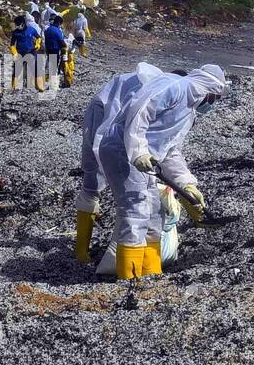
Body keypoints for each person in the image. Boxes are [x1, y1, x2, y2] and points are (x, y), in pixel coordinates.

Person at [81, 64, 225, 279]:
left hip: (144, 161)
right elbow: (140, 113)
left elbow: (170, 149)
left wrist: (186, 183)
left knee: (156, 212)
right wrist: (138, 151)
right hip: (121, 150)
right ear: (209, 89)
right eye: (214, 99)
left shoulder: (188, 112)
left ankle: (151, 273)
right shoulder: (175, 87)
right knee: (136, 210)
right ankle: (129, 279)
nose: (211, 105)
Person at [8, 15, 39, 91]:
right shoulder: (15, 33)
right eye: (16, 25)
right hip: (19, 53)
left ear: (23, 23)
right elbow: (12, 44)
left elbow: (38, 37)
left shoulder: (31, 30)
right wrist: (14, 53)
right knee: (16, 70)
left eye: (18, 25)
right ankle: (14, 86)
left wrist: (38, 43)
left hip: (31, 51)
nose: (17, 26)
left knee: (35, 69)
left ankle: (37, 85)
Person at [42, 14, 67, 90]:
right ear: (59, 22)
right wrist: (65, 46)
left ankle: (49, 84)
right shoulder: (57, 31)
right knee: (55, 68)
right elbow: (61, 41)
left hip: (48, 49)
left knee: (50, 67)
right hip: (55, 50)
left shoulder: (48, 29)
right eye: (60, 24)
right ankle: (53, 85)